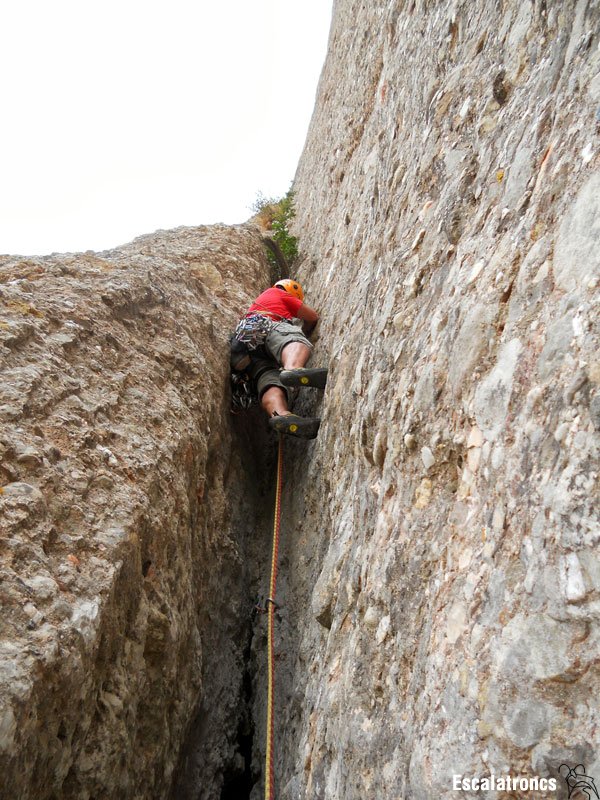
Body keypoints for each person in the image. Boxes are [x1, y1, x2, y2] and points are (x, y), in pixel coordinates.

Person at [231, 279, 327, 438]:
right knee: (292, 339)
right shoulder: (277, 292)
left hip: (246, 349)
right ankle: (293, 369)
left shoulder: (254, 307)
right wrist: (302, 332)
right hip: (266, 327)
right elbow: (312, 316)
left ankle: (281, 415)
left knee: (269, 379)